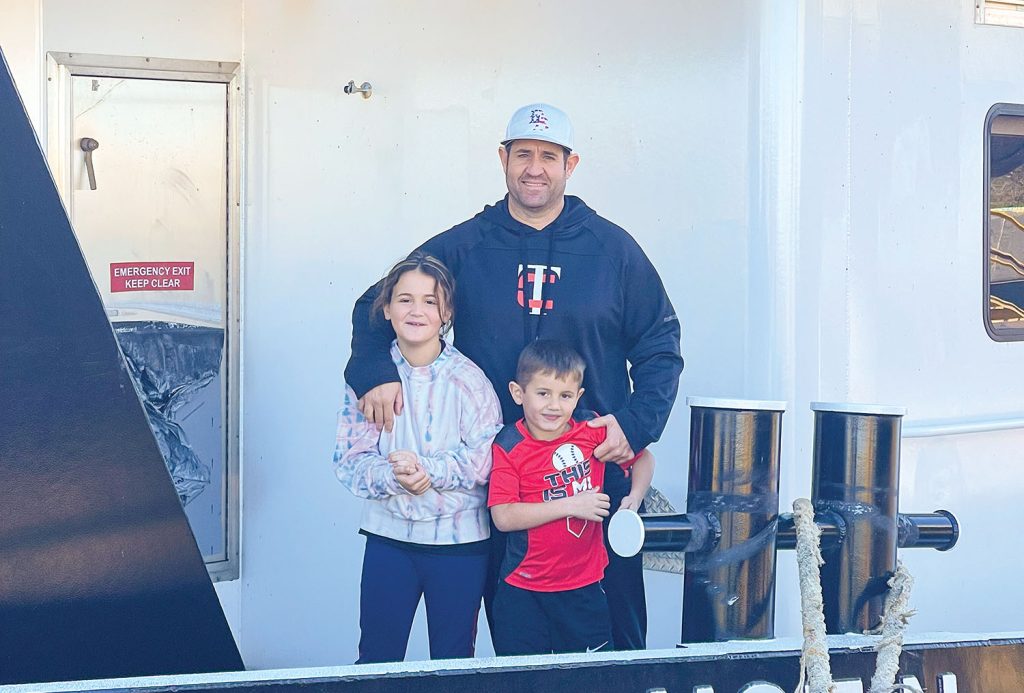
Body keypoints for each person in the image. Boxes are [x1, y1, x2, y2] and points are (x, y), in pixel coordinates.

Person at [344, 103, 683, 650]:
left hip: (594, 478)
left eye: (549, 156)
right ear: (503, 159)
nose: (535, 168)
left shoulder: (613, 250)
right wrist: (374, 371)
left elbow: (660, 344)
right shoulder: (464, 245)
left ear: (571, 165)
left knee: (611, 643)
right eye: (523, 154)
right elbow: (378, 303)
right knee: (514, 643)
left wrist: (637, 423)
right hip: (503, 484)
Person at [333, 252, 503, 663]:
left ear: (447, 313)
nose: (417, 310)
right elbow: (349, 458)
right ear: (386, 309)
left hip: (458, 546)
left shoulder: (469, 380)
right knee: (376, 657)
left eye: (430, 301)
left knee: (452, 662)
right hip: (389, 542)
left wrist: (429, 472)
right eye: (405, 299)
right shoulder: (371, 378)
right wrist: (395, 475)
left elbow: (485, 458)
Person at [487, 340, 654, 655]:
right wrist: (572, 505)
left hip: (584, 590)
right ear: (517, 393)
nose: (553, 406)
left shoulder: (592, 430)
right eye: (543, 394)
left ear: (578, 397)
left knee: (588, 680)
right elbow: (504, 516)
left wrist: (634, 497)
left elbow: (643, 458)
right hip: (524, 591)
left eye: (564, 396)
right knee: (523, 682)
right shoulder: (508, 444)